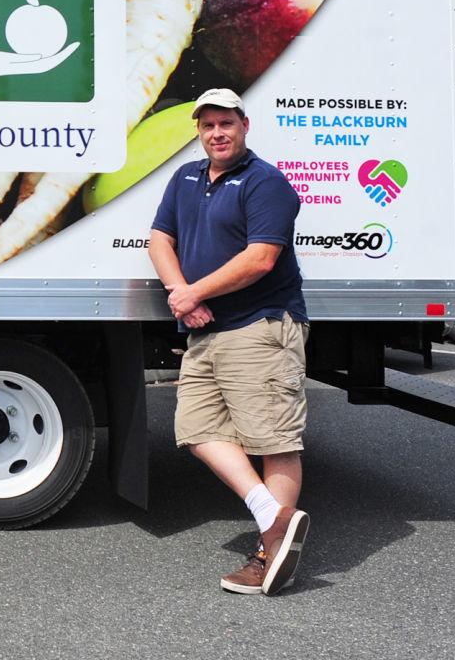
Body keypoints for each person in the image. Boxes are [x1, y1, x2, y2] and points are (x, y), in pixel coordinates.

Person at [148, 88, 311, 596]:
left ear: (245, 125)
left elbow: (261, 258)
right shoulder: (187, 177)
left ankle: (270, 555)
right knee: (195, 429)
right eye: (207, 125)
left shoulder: (266, 183)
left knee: (273, 441)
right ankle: (273, 517)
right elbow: (160, 239)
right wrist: (181, 293)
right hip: (206, 329)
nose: (217, 133)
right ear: (198, 131)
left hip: (259, 327)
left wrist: (193, 292)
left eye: (226, 123)